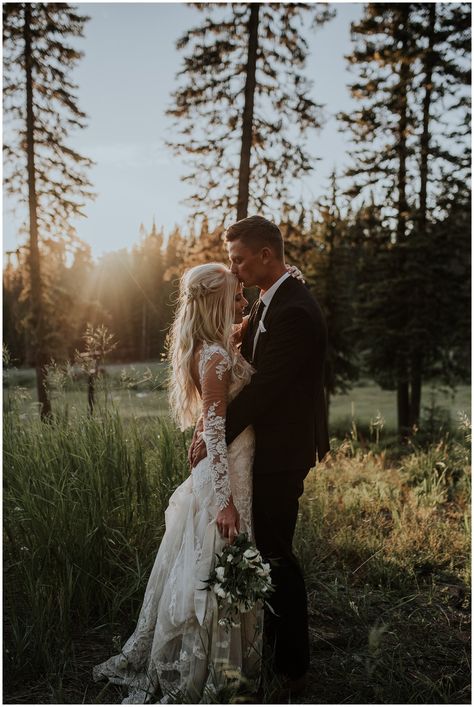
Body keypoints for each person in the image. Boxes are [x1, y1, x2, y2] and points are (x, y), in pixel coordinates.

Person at [93, 263, 262, 703]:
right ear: (216, 303)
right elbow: (215, 432)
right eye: (236, 297)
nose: (244, 303)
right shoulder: (216, 357)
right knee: (213, 563)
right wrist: (225, 501)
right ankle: (205, 669)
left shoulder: (211, 347)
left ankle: (222, 663)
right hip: (226, 473)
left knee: (209, 564)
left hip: (230, 466)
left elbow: (209, 415)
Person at [190, 215, 330, 698]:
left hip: (281, 451)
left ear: (267, 255)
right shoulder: (274, 300)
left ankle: (294, 668)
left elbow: (267, 389)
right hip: (260, 449)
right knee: (265, 549)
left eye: (240, 258)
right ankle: (267, 646)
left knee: (277, 555)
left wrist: (213, 431)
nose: (235, 268)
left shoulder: (294, 309)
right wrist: (209, 426)